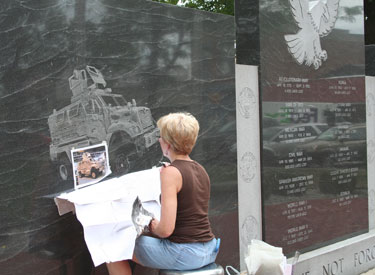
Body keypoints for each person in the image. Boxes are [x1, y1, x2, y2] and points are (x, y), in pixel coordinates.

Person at [106, 112, 218, 275]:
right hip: (208, 249)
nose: (159, 140)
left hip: (186, 254)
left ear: (168, 144)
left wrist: (151, 224)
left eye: (161, 137)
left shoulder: (170, 173)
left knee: (112, 247)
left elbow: (165, 230)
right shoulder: (200, 169)